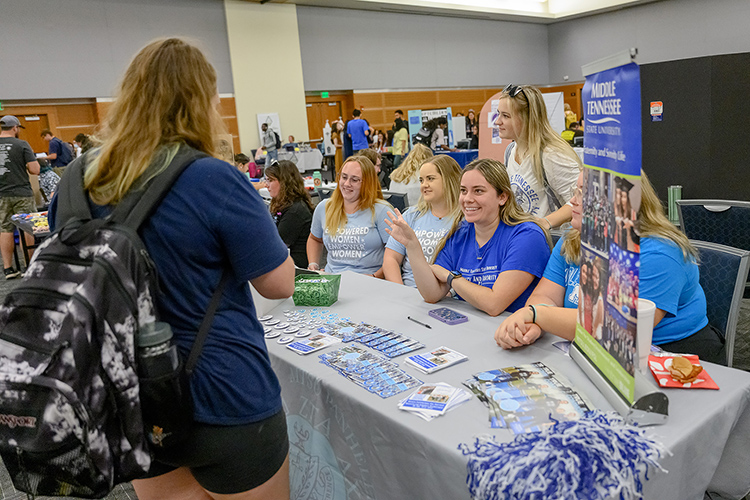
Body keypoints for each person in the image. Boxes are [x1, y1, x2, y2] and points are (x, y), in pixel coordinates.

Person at [48, 38, 295, 499]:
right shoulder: (213, 177)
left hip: (128, 396)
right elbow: (279, 282)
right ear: (203, 102)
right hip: (224, 391)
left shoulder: (76, 180)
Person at [494, 171, 726, 365]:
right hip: (593, 349)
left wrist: (538, 314)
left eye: (584, 193)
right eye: (576, 191)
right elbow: (545, 295)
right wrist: (535, 325)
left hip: (672, 355)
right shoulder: (573, 238)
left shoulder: (659, 253)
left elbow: (617, 327)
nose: (572, 201)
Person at [385, 158, 551, 316]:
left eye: (478, 191)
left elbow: (494, 304)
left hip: (513, 332)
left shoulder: (527, 236)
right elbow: (432, 294)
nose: (467, 199)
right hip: (471, 325)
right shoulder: (461, 234)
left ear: (502, 197)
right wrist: (412, 246)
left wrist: (451, 278)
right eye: (463, 191)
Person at [496, 84, 581, 230]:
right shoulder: (510, 151)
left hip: (551, 244)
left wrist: (544, 222)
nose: (498, 121)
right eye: (499, 114)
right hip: (524, 239)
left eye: (506, 116)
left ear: (527, 118)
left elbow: (581, 200)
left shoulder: (551, 155)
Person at [307, 155, 392, 277]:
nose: (347, 184)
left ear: (367, 183)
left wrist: (375, 276)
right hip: (332, 281)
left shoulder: (382, 211)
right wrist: (313, 264)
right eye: (344, 177)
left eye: (354, 180)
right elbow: (315, 239)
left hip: (370, 283)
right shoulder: (324, 207)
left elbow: (397, 254)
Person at [384, 155, 462, 287]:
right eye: (421, 180)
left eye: (430, 179)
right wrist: (400, 291)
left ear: (449, 179)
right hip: (408, 291)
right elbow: (391, 259)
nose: (424, 185)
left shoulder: (465, 219)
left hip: (448, 295)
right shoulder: (411, 215)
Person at [0, 115, 40, 279]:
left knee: (4, 229)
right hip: (21, 193)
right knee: (27, 227)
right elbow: (35, 170)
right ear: (15, 128)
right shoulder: (22, 144)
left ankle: (8, 268)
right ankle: (28, 265)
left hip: (1, 194)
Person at [264, 160, 314, 269]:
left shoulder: (295, 211)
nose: (266, 185)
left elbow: (276, 247)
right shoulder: (284, 204)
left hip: (295, 269)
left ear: (284, 182)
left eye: (271, 180)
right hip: (284, 264)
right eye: (266, 180)